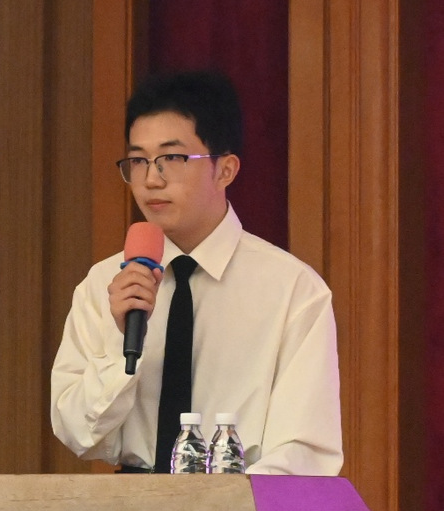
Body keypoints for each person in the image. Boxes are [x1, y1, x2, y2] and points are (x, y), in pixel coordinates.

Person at [51, 70, 343, 475]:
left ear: (225, 170)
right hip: (131, 504)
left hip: (241, 501)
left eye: (172, 159)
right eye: (138, 160)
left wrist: (217, 507)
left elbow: (304, 451)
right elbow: (78, 434)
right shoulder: (104, 284)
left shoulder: (292, 289)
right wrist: (121, 347)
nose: (151, 180)